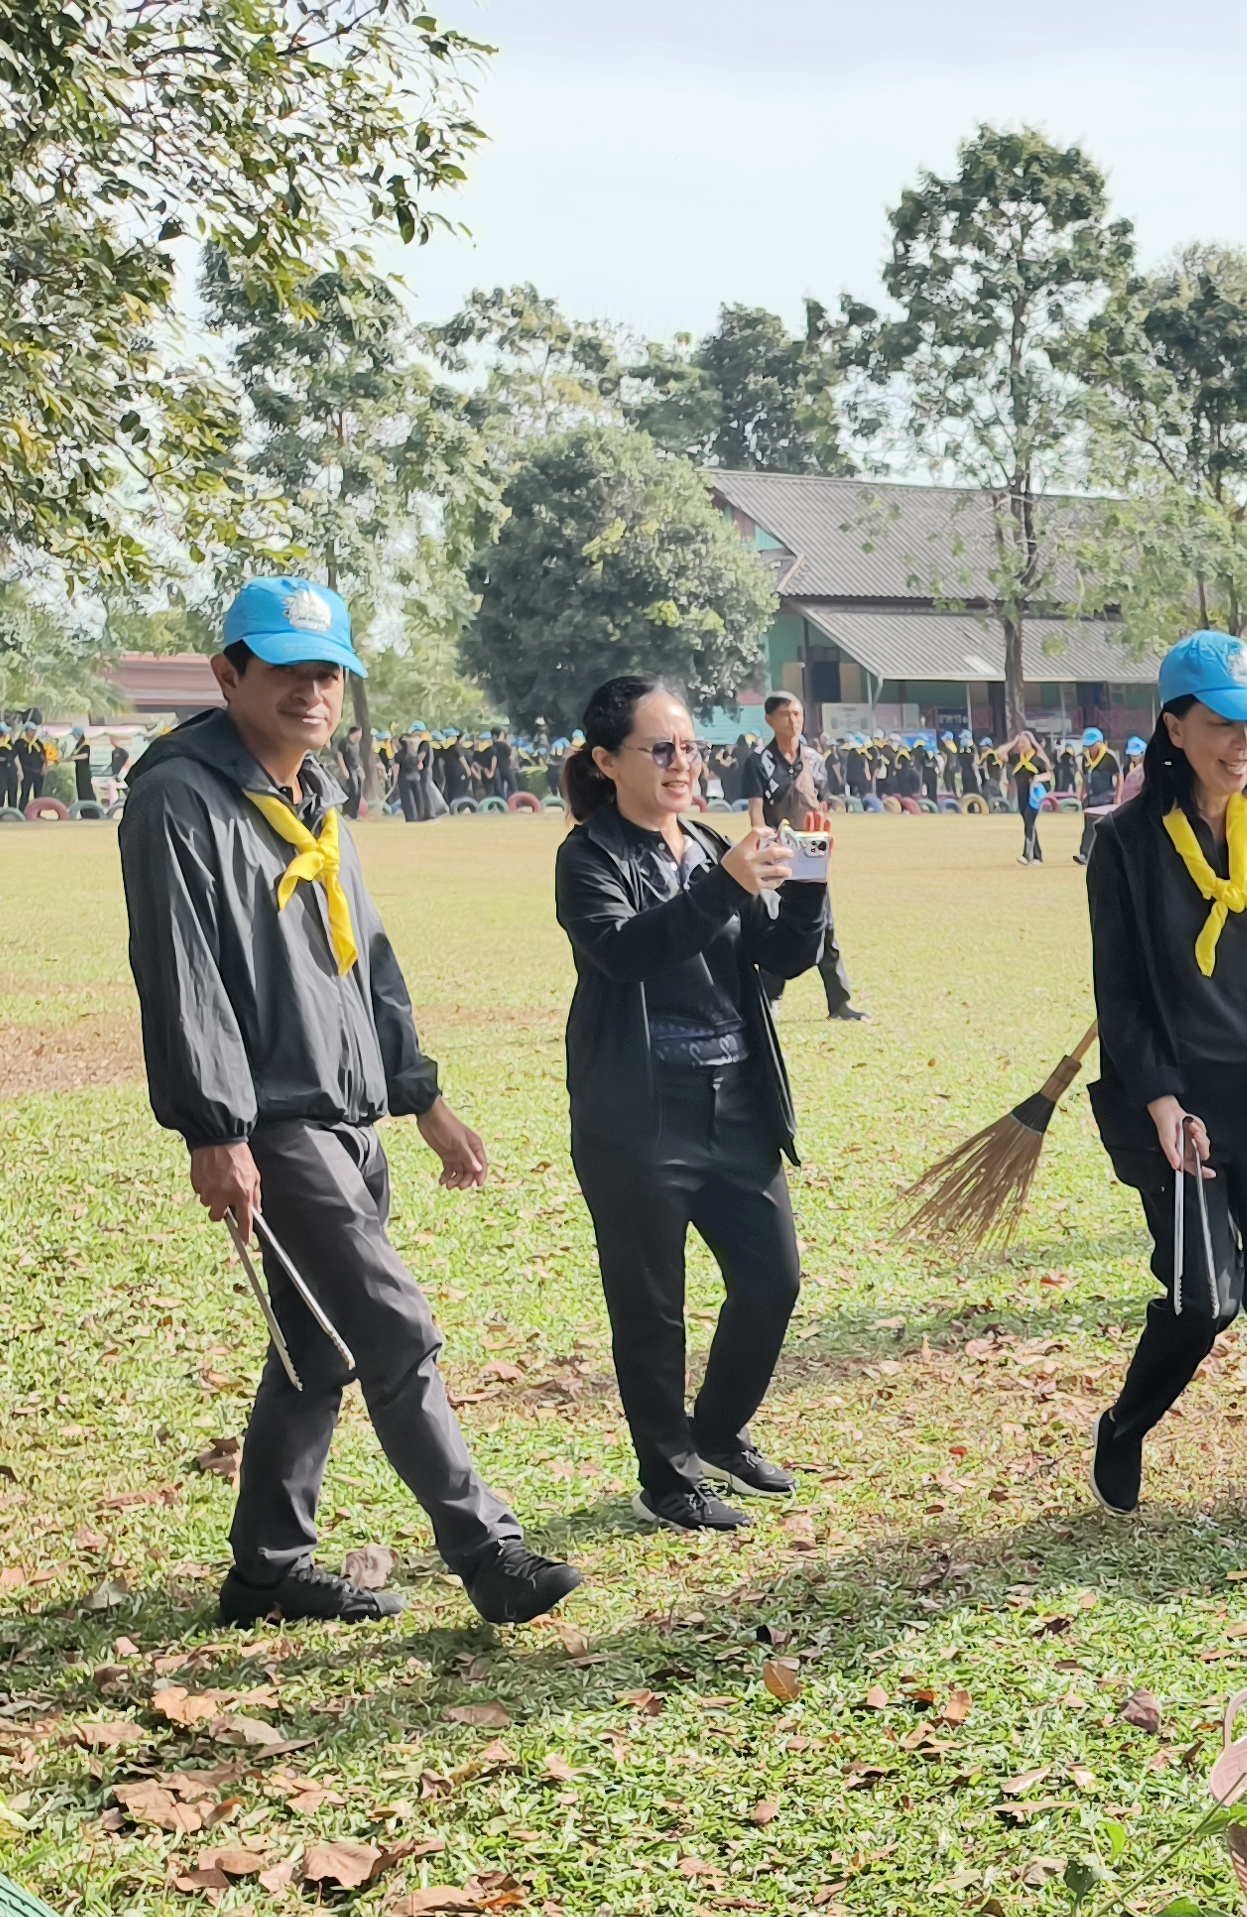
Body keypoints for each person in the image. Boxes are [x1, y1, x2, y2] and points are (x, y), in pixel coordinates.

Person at [124, 576, 582, 1631]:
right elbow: (181, 970)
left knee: (317, 1344)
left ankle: (266, 1571)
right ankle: (488, 1550)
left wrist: (419, 1097)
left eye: (327, 671)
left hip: (347, 1112)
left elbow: (364, 957)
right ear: (229, 671)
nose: (311, 690)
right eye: (286, 668)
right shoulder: (179, 800)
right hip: (271, 1121)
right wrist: (216, 1130)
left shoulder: (313, 798)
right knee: (391, 1326)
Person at [1081, 632, 1247, 1531]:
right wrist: (1160, 1100)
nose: (1245, 743)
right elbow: (1118, 990)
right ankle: (1123, 1425)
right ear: (1175, 727)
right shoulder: (1123, 843)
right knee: (1206, 1298)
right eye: (1223, 723)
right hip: (1177, 1099)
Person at [557, 675, 832, 1534]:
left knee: (772, 1278)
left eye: (692, 748)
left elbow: (778, 959)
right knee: (651, 1307)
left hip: (735, 1100)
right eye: (662, 749)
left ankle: (716, 1430)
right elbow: (626, 952)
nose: (684, 763)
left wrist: (812, 879)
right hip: (640, 1116)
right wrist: (724, 882)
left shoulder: (712, 844)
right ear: (608, 763)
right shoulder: (590, 857)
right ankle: (669, 1475)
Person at [749, 694, 871, 1026]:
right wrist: (765, 846)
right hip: (779, 851)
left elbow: (820, 804)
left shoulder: (815, 759)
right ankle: (766, 999)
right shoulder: (759, 762)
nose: (794, 720)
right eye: (786, 715)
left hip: (811, 851)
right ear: (770, 720)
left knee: (826, 927)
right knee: (783, 926)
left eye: (798, 714)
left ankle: (840, 1003)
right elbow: (756, 811)